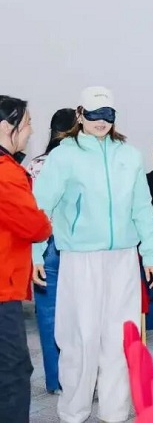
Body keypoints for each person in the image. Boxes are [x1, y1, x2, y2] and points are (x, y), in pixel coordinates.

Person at [32, 86, 153, 423]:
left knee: (120, 336)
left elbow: (142, 207)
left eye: (107, 115)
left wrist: (151, 255)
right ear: (80, 114)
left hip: (123, 258)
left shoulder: (129, 155)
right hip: (80, 258)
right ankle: (73, 411)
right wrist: (35, 253)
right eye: (93, 115)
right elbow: (41, 207)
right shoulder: (64, 155)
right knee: (80, 336)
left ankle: (115, 411)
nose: (101, 121)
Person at [0, 95, 52, 423]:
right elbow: (35, 226)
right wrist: (45, 218)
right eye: (28, 122)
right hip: (2, 287)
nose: (31, 130)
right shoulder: (6, 173)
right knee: (14, 370)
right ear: (7, 126)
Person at [28, 107, 75, 395]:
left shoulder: (35, 164)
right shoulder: (80, 161)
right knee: (83, 314)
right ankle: (82, 378)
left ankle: (56, 381)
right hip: (78, 245)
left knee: (48, 317)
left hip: (45, 244)